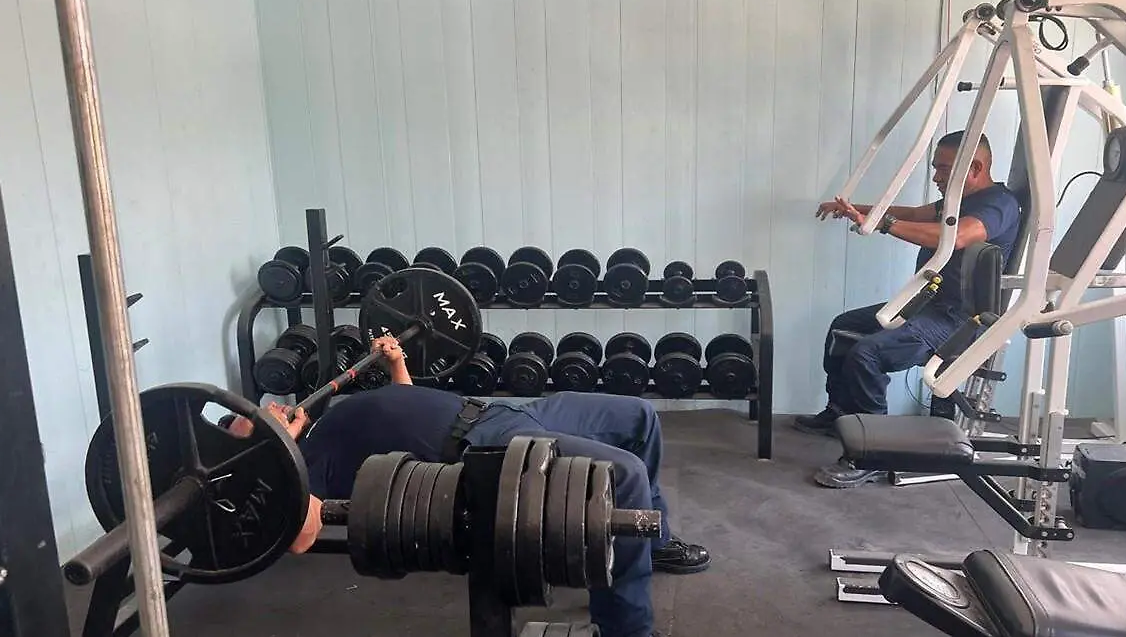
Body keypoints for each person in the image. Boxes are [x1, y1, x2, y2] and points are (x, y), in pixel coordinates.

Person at [236, 335, 709, 637]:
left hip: (504, 408)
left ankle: (656, 543)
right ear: (258, 446)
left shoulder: (333, 416)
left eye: (264, 408)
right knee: (622, 475)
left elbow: (406, 402)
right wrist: (287, 451)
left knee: (640, 417)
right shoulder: (306, 464)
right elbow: (302, 537)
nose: (272, 409)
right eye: (255, 419)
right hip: (487, 445)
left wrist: (396, 362)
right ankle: (627, 628)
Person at [795, 131, 1022, 489]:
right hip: (926, 303)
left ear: (975, 167)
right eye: (936, 169)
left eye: (943, 170)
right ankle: (839, 414)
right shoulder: (956, 198)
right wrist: (859, 211)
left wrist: (882, 225)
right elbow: (914, 213)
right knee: (843, 328)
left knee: (867, 354)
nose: (936, 178)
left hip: (960, 318)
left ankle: (873, 454)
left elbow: (959, 237)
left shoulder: (997, 205)